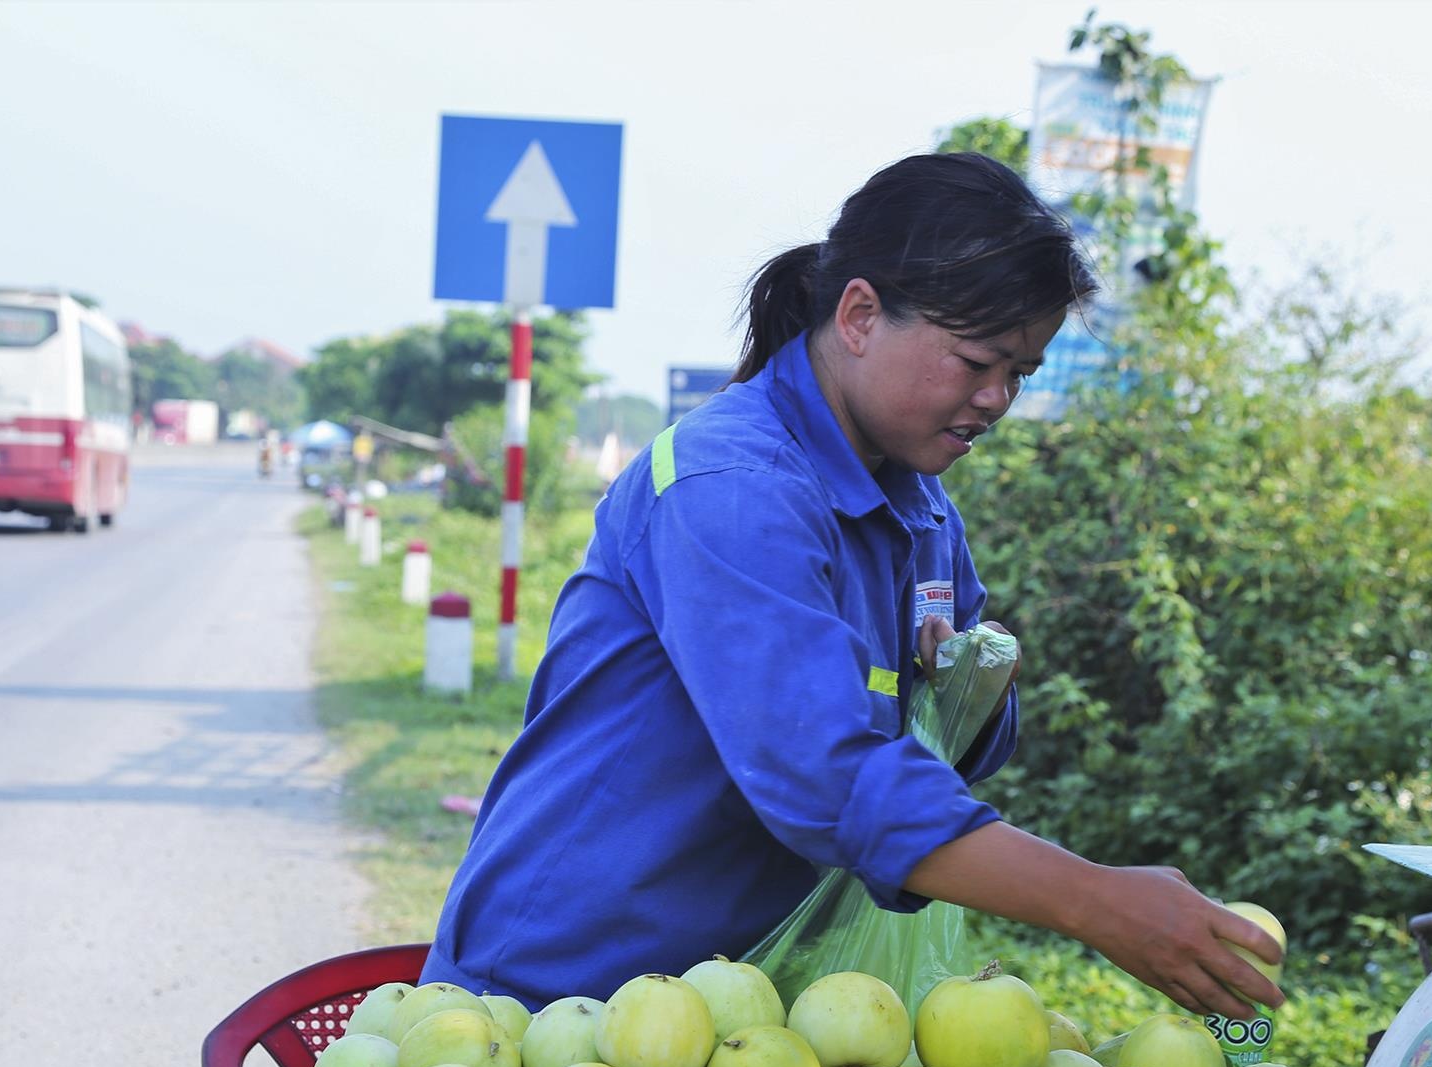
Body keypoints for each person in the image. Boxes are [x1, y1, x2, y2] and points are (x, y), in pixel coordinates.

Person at [420, 152, 1284, 1020]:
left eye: (1020, 372)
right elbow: (827, 778)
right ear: (862, 314)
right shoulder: (730, 488)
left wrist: (974, 687)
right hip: (558, 989)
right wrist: (1092, 898)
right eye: (977, 360)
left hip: (743, 1001)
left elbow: (958, 738)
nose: (996, 398)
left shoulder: (921, 511)